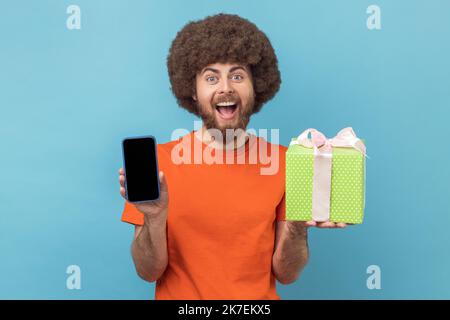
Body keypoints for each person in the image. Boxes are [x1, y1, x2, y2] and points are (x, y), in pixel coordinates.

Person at [118, 13, 347, 300]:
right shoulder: (159, 164)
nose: (225, 87)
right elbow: (148, 271)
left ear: (256, 85)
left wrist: (297, 225)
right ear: (192, 89)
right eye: (211, 77)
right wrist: (154, 218)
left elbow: (287, 274)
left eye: (237, 76)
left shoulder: (289, 162)